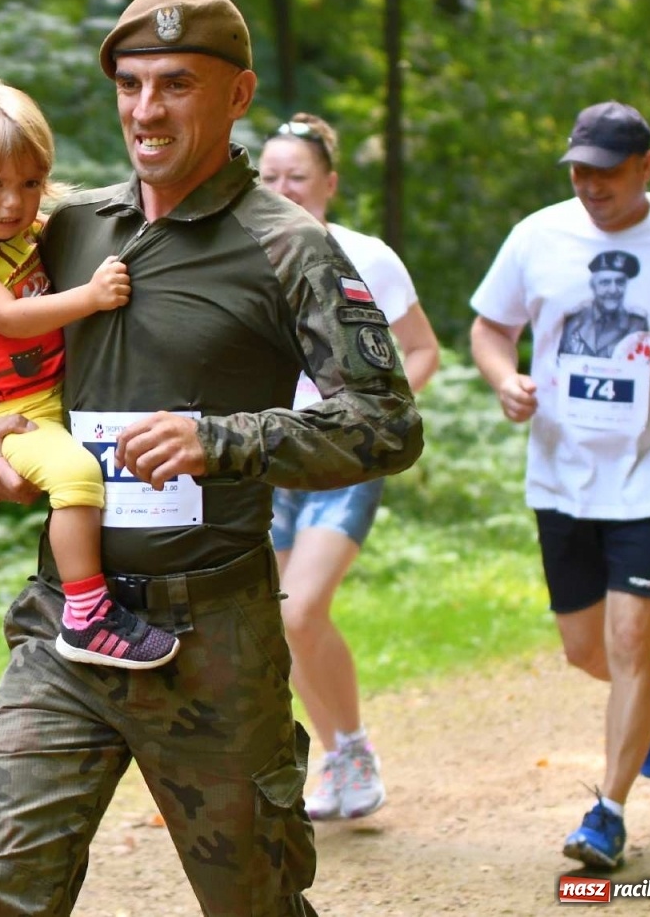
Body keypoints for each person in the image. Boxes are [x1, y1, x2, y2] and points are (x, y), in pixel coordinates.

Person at [0, 0, 423, 917]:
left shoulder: (290, 248)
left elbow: (387, 424)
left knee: (254, 900)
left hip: (213, 639)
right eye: (130, 85)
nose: (145, 109)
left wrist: (222, 441)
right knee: (2, 875)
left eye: (176, 84)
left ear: (238, 96)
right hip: (70, 627)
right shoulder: (65, 228)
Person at [469, 100, 650, 870]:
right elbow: (489, 326)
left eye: (606, 171)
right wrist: (501, 378)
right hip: (563, 474)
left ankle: (607, 814)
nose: (589, 185)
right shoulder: (538, 236)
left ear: (645, 166)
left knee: (626, 641)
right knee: (589, 653)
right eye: (579, 169)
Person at [0, 78, 180, 669]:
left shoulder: (25, 236)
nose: (14, 202)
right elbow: (8, 317)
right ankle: (86, 614)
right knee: (77, 477)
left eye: (30, 184)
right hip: (23, 416)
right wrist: (92, 296)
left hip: (58, 397)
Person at [256, 114, 441, 821]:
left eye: (295, 178)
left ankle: (350, 747)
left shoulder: (367, 257)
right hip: (269, 462)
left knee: (300, 607)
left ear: (328, 184)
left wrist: (374, 412)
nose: (281, 189)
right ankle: (342, 756)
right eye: (268, 177)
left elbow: (421, 350)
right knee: (277, 619)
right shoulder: (243, 259)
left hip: (346, 461)